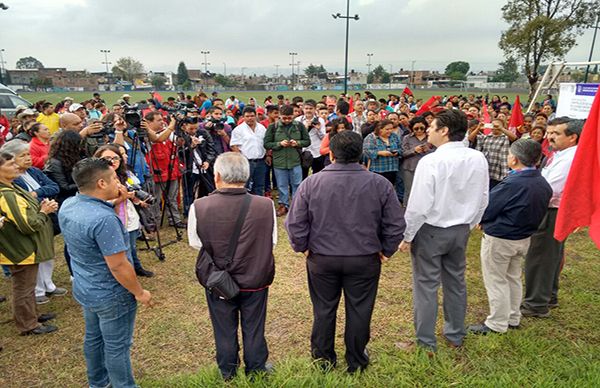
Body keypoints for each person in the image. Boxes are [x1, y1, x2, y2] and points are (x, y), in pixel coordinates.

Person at [285, 131, 405, 373]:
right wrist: (387, 250)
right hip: (362, 258)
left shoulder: (312, 183)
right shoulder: (379, 184)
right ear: (360, 154)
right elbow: (395, 224)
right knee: (360, 309)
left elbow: (295, 223)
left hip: (324, 259)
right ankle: (356, 359)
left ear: (330, 154)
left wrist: (303, 247)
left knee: (324, 308)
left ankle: (323, 359)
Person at [398, 109, 489, 352]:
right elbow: (483, 197)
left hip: (432, 230)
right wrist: (469, 224)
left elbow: (418, 205)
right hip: (460, 229)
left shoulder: (431, 161)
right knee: (455, 282)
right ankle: (455, 334)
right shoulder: (477, 157)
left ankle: (426, 342)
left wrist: (407, 235)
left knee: (426, 285)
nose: (427, 129)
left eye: (432, 126)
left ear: (444, 131)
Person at [59, 158, 152, 388]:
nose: (119, 181)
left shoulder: (69, 205)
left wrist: (116, 201)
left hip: (85, 287)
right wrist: (139, 292)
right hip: (111, 295)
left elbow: (91, 220)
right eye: (113, 178)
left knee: (93, 338)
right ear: (101, 183)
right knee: (117, 345)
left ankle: (98, 383)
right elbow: (118, 265)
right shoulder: (104, 220)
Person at [189, 152, 276, 380]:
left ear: (217, 176)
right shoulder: (265, 205)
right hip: (255, 277)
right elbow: (272, 241)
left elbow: (195, 242)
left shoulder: (199, 206)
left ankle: (227, 370)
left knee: (224, 328)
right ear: (247, 176)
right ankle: (256, 369)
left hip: (219, 280)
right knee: (254, 326)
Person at [468, 139, 552, 335]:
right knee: (513, 277)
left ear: (514, 159)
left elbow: (489, 207)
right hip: (523, 237)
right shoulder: (542, 182)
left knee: (496, 279)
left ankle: (497, 323)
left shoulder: (513, 183)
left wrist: (483, 220)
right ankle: (513, 316)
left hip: (501, 237)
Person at [521, 117, 582, 318]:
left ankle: (536, 304)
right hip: (552, 210)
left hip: (551, 211)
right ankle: (548, 295)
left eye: (556, 133)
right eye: (549, 132)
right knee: (551, 256)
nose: (549, 137)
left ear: (572, 137)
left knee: (540, 257)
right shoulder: (561, 154)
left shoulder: (570, 158)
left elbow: (550, 188)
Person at [0, 151, 59, 335]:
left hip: (25, 246)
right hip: (21, 249)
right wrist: (44, 211)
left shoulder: (12, 187)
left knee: (28, 284)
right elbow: (27, 225)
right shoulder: (7, 195)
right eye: (10, 164)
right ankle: (28, 324)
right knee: (23, 287)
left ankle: (32, 314)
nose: (16, 166)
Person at [4, 140, 67, 305]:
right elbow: (24, 199)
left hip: (46, 215)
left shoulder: (33, 171)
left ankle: (48, 284)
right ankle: (38, 290)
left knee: (47, 251)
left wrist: (36, 192)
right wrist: (39, 199)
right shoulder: (12, 179)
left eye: (28, 154)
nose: (27, 158)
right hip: (33, 218)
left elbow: (53, 187)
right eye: (22, 155)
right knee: (36, 254)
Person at [94, 145, 155, 278]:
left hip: (129, 216)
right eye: (107, 158)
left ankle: (136, 268)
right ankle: (126, 276)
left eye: (116, 158)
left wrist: (137, 200)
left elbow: (134, 191)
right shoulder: (96, 180)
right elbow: (97, 203)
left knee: (131, 246)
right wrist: (121, 198)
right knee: (121, 251)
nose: (112, 161)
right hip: (111, 219)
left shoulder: (125, 174)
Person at [44, 130, 84, 275]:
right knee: (71, 240)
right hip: (65, 202)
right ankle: (73, 273)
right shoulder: (54, 162)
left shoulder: (77, 157)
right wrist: (85, 183)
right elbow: (63, 187)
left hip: (79, 199)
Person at [263, 105, 310, 216]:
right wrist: (279, 144)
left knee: (297, 184)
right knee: (282, 185)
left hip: (295, 160)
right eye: (284, 118)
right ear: (280, 116)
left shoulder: (299, 126)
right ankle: (283, 205)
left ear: (293, 116)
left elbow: (307, 141)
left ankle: (296, 205)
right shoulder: (273, 127)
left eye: (289, 118)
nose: (287, 120)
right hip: (279, 162)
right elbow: (266, 144)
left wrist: (297, 143)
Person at [230, 106, 268, 195]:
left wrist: (267, 155)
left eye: (252, 116)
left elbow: (265, 143)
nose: (250, 118)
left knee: (259, 185)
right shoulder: (239, 129)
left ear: (256, 116)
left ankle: (258, 205)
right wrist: (241, 159)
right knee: (244, 185)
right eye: (247, 116)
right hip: (246, 162)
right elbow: (234, 145)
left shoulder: (262, 128)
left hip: (261, 161)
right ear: (243, 117)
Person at [470, 118, 517, 189]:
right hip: (486, 171)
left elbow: (515, 138)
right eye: (493, 125)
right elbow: (470, 138)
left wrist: (501, 128)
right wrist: (478, 128)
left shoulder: (506, 138)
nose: (495, 127)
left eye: (497, 125)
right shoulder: (485, 137)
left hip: (500, 172)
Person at [401, 116, 434, 206]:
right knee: (409, 190)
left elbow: (437, 152)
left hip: (427, 168)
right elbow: (403, 153)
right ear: (412, 128)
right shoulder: (407, 138)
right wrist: (414, 150)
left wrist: (428, 150)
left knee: (426, 190)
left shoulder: (431, 137)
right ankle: (407, 209)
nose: (419, 130)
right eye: (416, 128)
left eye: (422, 128)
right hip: (410, 167)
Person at [363, 119, 401, 185]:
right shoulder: (371, 137)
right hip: (378, 169)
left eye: (391, 129)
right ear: (380, 129)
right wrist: (379, 153)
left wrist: (397, 152)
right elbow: (366, 151)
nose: (390, 131)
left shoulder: (394, 136)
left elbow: (401, 148)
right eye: (387, 129)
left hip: (392, 168)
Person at [295, 99, 327, 179]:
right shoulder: (298, 120)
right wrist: (305, 128)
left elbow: (323, 138)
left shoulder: (320, 120)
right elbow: (296, 137)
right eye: (306, 108)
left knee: (318, 175)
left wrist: (318, 129)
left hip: (317, 150)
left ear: (315, 109)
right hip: (303, 151)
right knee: (303, 174)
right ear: (303, 109)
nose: (308, 111)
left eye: (310, 108)